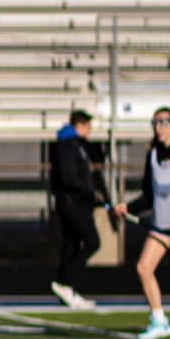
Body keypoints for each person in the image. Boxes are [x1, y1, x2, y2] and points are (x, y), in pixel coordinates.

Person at [114, 107, 170, 339]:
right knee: (144, 268)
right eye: (155, 122)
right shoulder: (152, 155)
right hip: (162, 225)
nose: (159, 126)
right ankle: (159, 320)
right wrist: (130, 208)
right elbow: (149, 194)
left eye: (164, 121)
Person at [49, 110, 109, 310]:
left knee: (71, 244)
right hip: (73, 203)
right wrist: (88, 194)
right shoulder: (68, 146)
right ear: (80, 125)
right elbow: (69, 177)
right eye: (88, 126)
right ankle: (64, 283)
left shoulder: (76, 146)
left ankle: (67, 288)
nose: (90, 131)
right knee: (93, 242)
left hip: (78, 202)